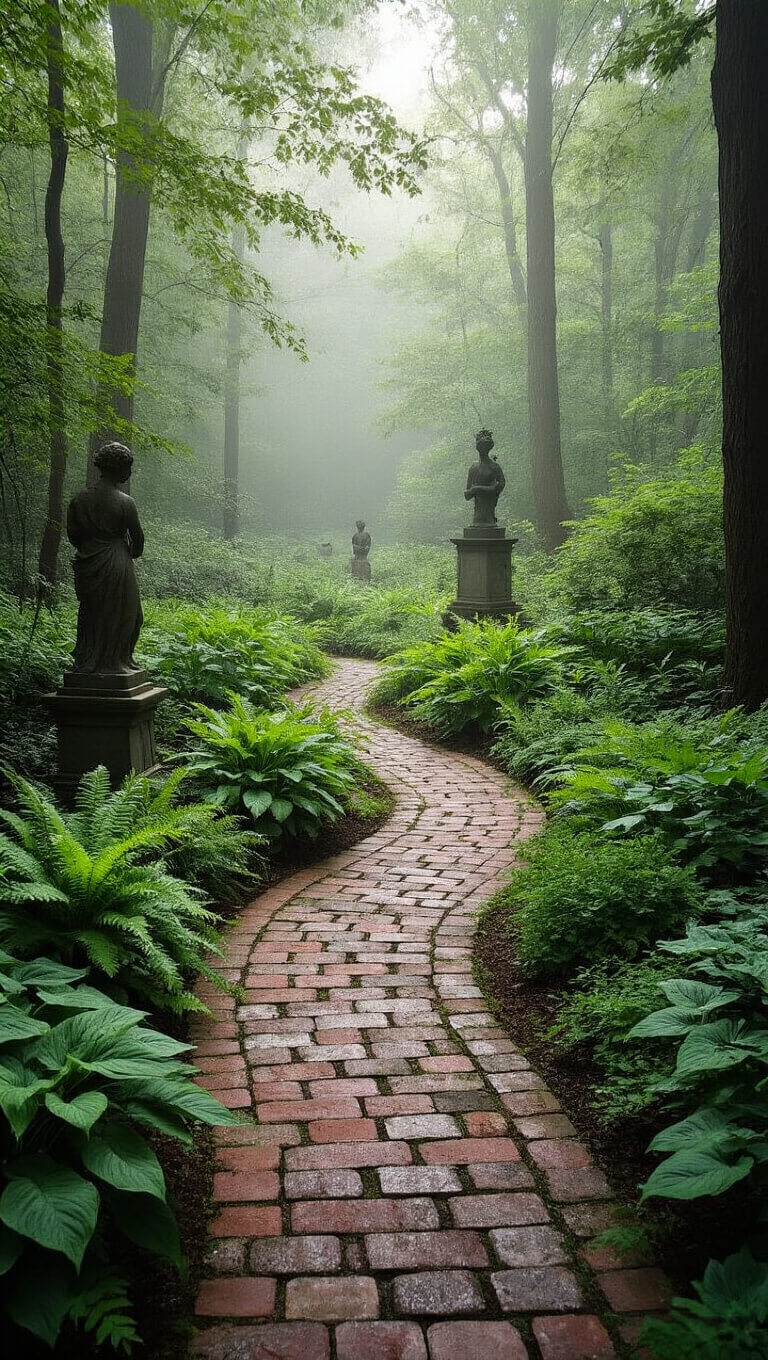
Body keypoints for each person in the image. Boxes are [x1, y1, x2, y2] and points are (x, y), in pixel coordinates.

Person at [66, 441, 144, 673]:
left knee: (93, 614)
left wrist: (91, 547)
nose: (129, 472)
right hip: (117, 562)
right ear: (118, 467)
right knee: (129, 614)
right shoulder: (125, 502)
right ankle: (116, 661)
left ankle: (90, 660)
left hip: (89, 561)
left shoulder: (79, 500)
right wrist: (128, 551)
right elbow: (138, 541)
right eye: (128, 466)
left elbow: (73, 535)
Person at [464, 429, 506, 525]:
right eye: (482, 446)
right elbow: (467, 495)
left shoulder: (494, 467)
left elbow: (499, 487)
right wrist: (474, 490)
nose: (483, 449)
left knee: (488, 523)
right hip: (478, 516)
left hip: (490, 512)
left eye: (485, 447)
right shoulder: (473, 468)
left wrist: (478, 488)